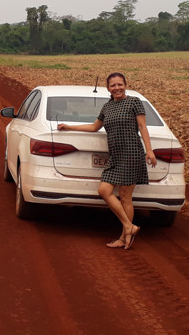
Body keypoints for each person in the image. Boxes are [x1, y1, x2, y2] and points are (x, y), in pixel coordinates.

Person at [57, 72, 156, 249]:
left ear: (125, 85)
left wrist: (149, 150)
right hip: (116, 155)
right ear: (108, 88)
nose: (117, 88)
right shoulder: (107, 107)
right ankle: (129, 227)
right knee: (104, 191)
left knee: (126, 197)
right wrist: (69, 126)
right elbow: (95, 127)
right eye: (113, 85)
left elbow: (142, 127)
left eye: (120, 84)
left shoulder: (134, 102)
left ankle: (125, 236)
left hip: (132, 153)